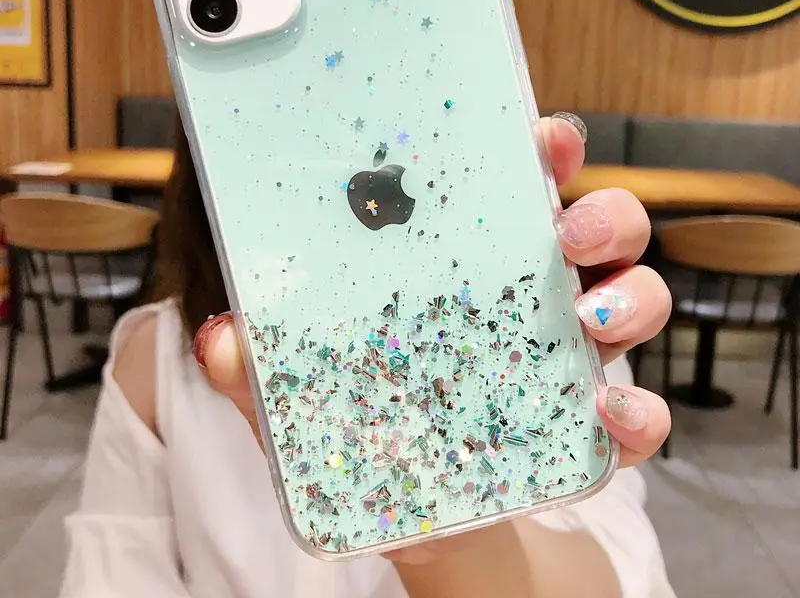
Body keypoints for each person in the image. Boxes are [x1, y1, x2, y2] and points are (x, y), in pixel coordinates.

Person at [59, 114, 676, 598]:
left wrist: (449, 543)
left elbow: (619, 570)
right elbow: (111, 579)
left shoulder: (534, 328)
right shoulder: (155, 360)